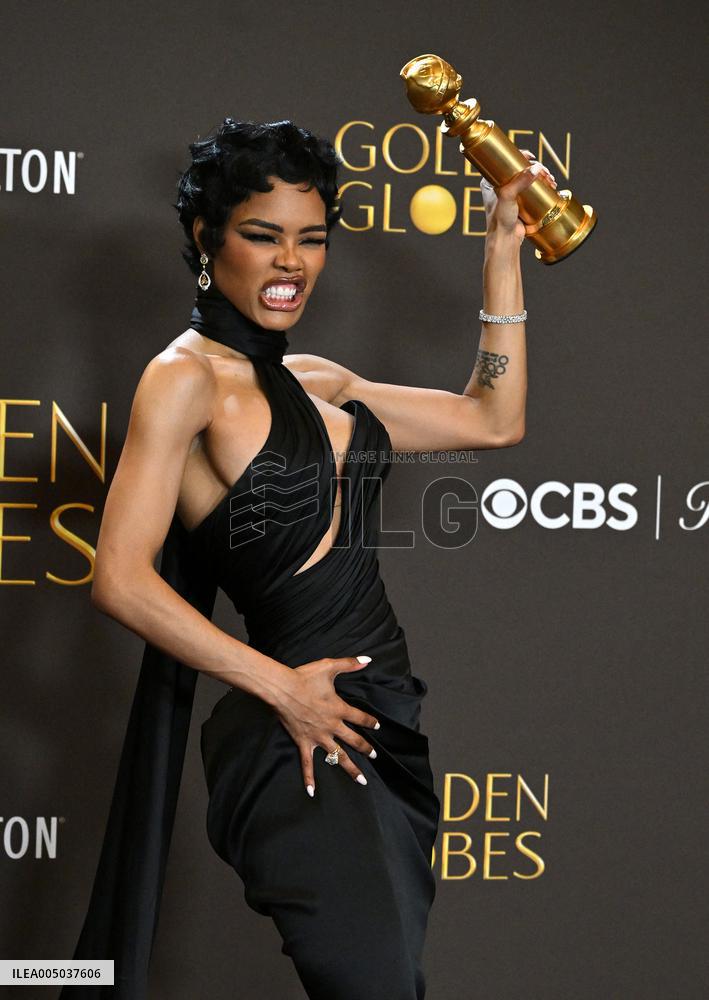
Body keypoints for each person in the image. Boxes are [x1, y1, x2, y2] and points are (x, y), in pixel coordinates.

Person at [63, 117, 555, 999]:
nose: (291, 262)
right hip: (296, 730)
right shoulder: (183, 380)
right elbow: (119, 577)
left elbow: (492, 418)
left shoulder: (317, 381)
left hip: (381, 724)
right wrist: (281, 686)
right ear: (206, 243)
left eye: (311, 239)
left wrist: (501, 249)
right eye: (262, 236)